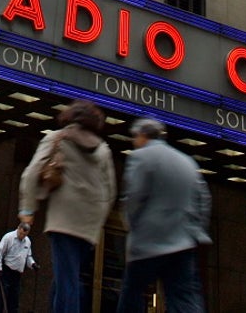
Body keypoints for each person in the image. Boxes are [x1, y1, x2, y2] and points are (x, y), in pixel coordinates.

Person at [18, 100, 117, 313]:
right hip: (89, 224)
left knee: (67, 280)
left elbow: (31, 173)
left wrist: (27, 210)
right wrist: (98, 221)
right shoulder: (103, 150)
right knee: (65, 276)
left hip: (63, 220)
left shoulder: (56, 139)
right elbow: (110, 192)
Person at [115, 118, 211, 313]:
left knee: (131, 294)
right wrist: (196, 229)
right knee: (183, 298)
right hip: (183, 241)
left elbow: (135, 196)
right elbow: (204, 197)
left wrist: (130, 224)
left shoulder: (141, 157)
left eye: (135, 137)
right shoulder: (187, 161)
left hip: (149, 241)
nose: (134, 141)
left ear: (143, 136)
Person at [0, 222, 37, 313]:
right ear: (18, 229)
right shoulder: (9, 237)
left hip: (17, 273)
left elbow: (28, 256)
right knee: (1, 297)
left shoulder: (27, 241)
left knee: (14, 298)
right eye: (21, 233)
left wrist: (32, 264)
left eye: (25, 234)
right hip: (6, 270)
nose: (22, 236)